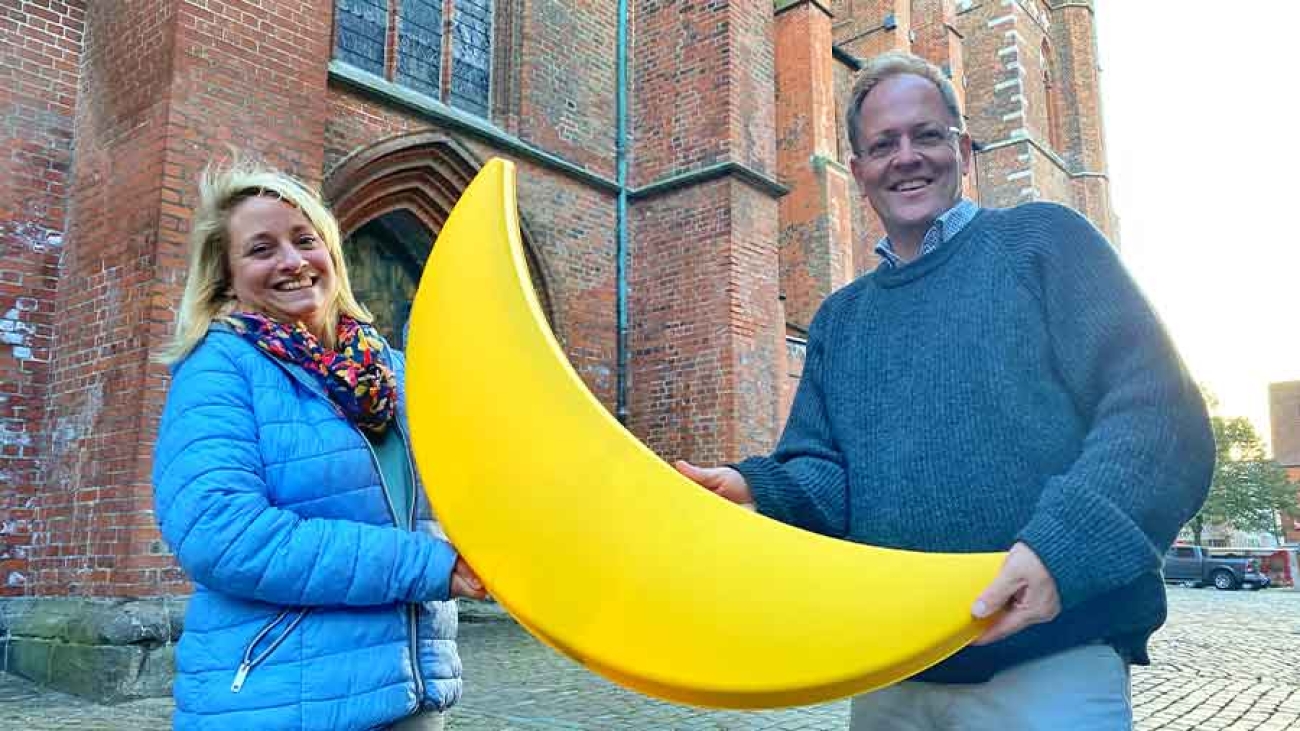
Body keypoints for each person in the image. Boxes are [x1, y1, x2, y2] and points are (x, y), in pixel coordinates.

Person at [676, 51, 1213, 730]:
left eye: (926, 135)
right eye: (883, 144)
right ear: (859, 168)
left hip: (1049, 661)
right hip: (890, 670)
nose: (906, 157)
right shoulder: (841, 318)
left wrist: (1060, 550)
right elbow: (829, 472)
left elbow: (1159, 414)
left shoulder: (1045, 243)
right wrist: (759, 488)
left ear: (962, 149)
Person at [152, 160, 486, 730]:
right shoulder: (219, 368)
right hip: (276, 700)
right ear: (227, 276)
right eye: (261, 249)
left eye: (305, 240)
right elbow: (221, 533)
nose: (291, 261)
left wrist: (638, 494)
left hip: (406, 694)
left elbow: (493, 474)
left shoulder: (395, 375)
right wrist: (430, 564)